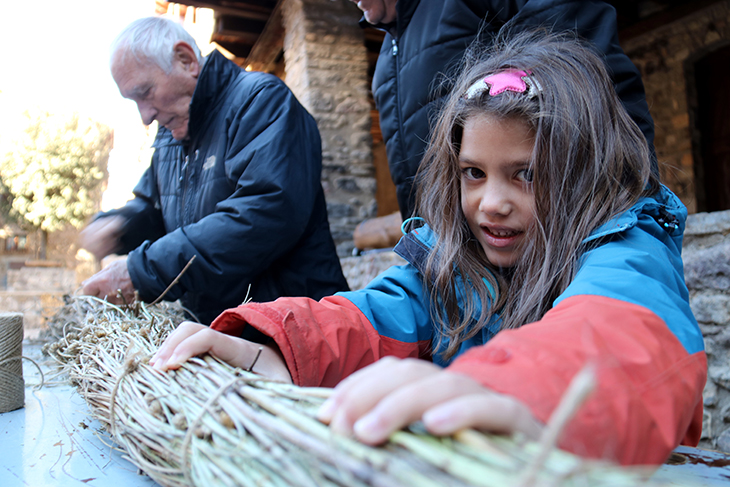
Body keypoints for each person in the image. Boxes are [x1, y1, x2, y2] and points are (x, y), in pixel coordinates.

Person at [149, 32, 706, 465]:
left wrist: (504, 390)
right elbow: (371, 319)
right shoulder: (450, 259)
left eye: (527, 175)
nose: (492, 203)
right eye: (473, 173)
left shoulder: (628, 246)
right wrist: (268, 342)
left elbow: (620, 340)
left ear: (585, 173)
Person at [80, 17, 349, 325]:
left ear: (186, 60)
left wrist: (142, 271)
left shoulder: (260, 102)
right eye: (135, 101)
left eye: (146, 92)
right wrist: (120, 226)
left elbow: (265, 215)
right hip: (222, 329)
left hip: (293, 328)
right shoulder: (170, 134)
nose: (145, 115)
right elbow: (154, 207)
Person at [353, 0, 658, 224]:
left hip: (555, 243)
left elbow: (596, 78)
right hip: (460, 260)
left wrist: (635, 216)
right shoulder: (383, 65)